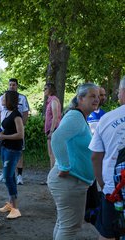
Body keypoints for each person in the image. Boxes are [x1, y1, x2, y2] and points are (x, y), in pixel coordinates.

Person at [47, 83, 99, 239]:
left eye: (97, 96)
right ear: (80, 98)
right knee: (69, 227)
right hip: (70, 181)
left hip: (73, 181)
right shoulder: (76, 116)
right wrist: (64, 165)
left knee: (64, 224)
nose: (96, 99)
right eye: (92, 96)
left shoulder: (79, 117)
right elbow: (57, 138)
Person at [89, 78, 125, 240]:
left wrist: (103, 184)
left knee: (108, 235)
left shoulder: (108, 118)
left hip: (113, 189)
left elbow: (96, 156)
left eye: (118, 91)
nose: (117, 95)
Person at [0, 91, 24, 219]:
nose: (1, 100)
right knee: (10, 176)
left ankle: (16, 208)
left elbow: (20, 134)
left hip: (13, 149)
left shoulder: (17, 115)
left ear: (9, 100)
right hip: (6, 148)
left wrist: (4, 136)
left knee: (7, 177)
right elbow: (6, 130)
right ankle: (11, 204)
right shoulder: (9, 113)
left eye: (3, 98)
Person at [0, 78, 29, 185]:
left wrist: (21, 126)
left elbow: (25, 113)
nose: (11, 86)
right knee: (4, 152)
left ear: (17, 86)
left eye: (14, 84)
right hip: (5, 128)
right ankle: (4, 173)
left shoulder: (22, 98)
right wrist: (0, 128)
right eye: (10, 84)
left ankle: (19, 175)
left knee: (19, 151)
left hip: (16, 128)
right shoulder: (2, 97)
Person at [44, 82, 62, 169]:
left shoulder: (54, 100)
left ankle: (51, 178)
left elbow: (55, 117)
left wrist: (51, 131)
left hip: (53, 129)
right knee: (51, 154)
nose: (44, 91)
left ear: (50, 89)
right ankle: (50, 177)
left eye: (45, 89)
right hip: (51, 129)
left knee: (52, 154)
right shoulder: (50, 100)